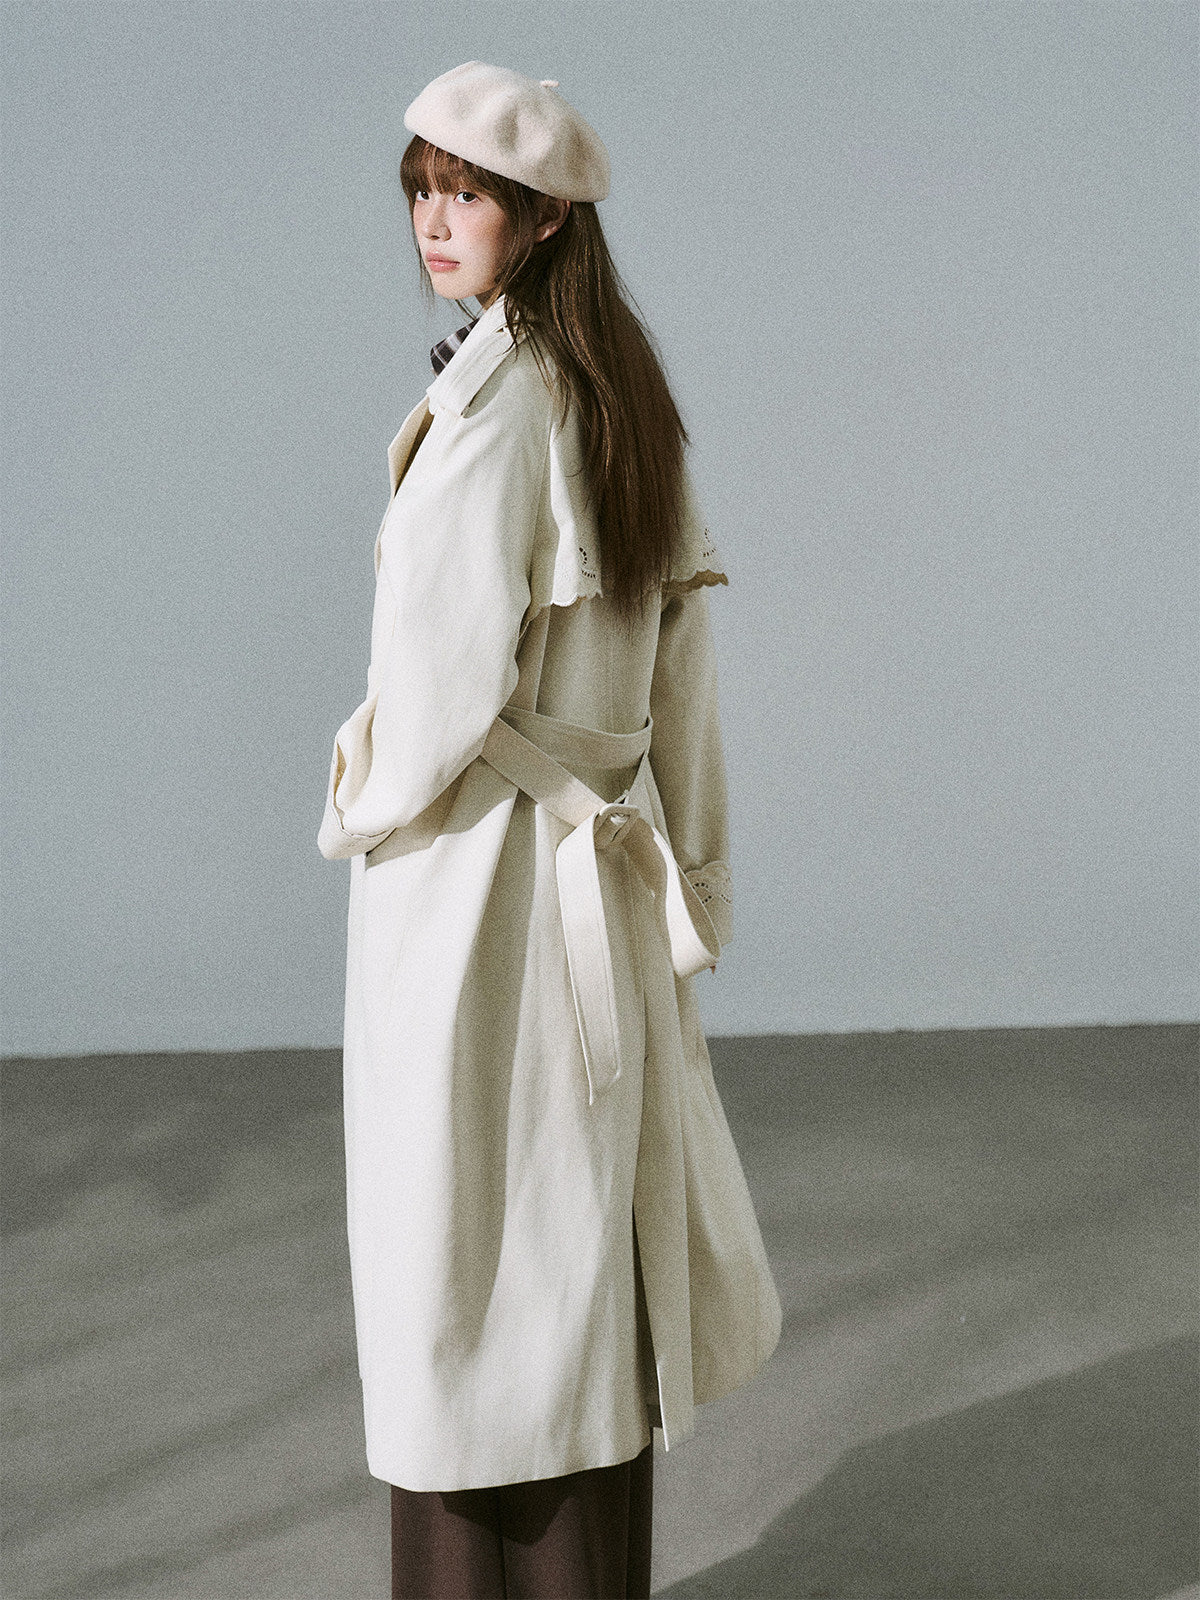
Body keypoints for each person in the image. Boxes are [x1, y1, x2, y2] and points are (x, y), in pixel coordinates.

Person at [317, 60, 782, 1600]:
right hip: (597, 884)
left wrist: (355, 796)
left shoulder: (496, 413)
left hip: (478, 882)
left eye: (467, 195)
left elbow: (431, 701)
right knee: (572, 1255)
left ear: (544, 218)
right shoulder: (623, 396)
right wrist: (693, 880)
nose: (434, 223)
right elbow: (683, 686)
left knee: (460, 1260)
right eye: (422, 192)